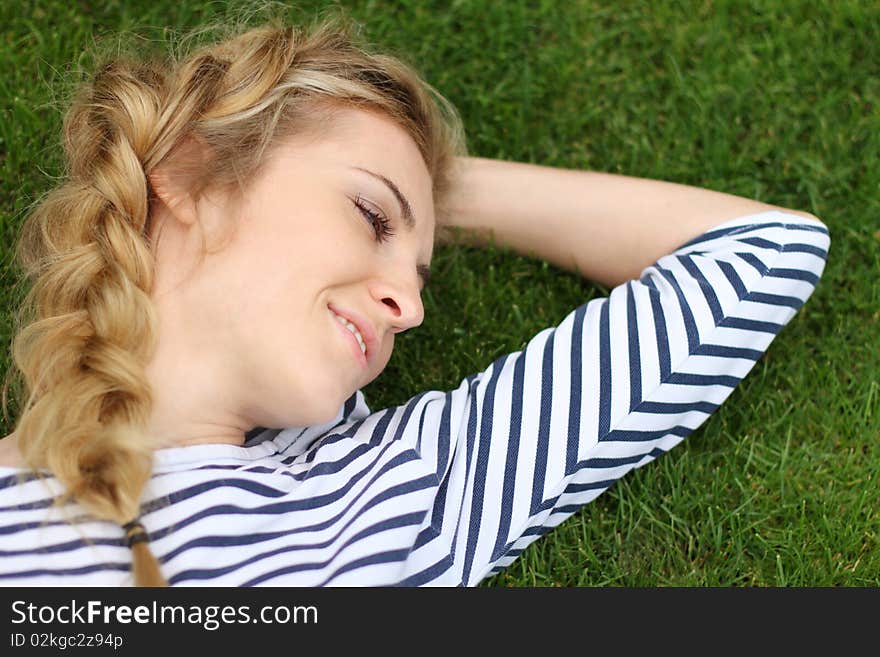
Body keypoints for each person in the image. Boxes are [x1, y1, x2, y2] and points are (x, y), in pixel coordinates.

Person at [0, 15, 829, 587]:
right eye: (367, 215)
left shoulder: (392, 491)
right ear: (188, 174)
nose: (412, 307)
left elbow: (763, 256)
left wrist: (432, 188)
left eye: (422, 273)